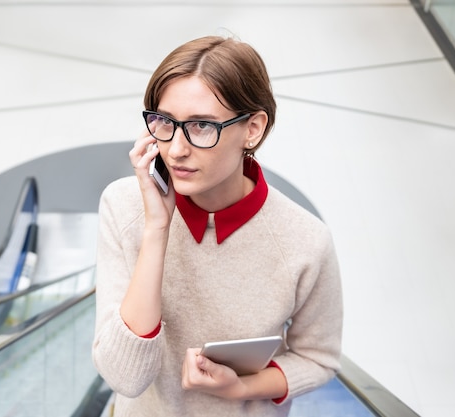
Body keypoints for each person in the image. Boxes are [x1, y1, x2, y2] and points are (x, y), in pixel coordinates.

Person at [92, 35, 343, 417]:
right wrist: (157, 229)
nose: (176, 149)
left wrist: (243, 387)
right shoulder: (125, 206)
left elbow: (318, 357)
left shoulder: (304, 240)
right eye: (165, 122)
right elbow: (126, 378)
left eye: (202, 126)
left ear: (253, 129)